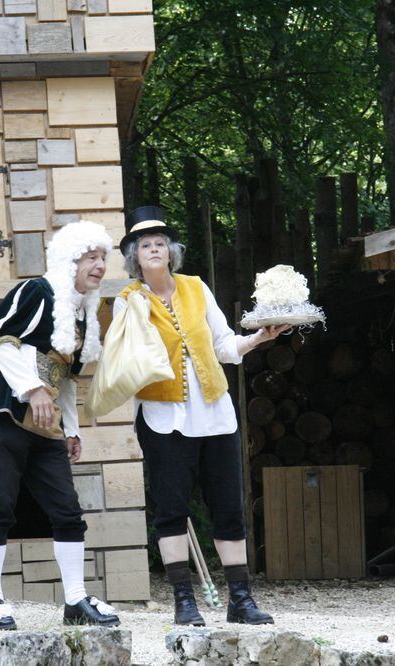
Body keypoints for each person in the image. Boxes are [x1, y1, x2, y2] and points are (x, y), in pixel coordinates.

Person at [113, 206, 289, 627]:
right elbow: (122, 361)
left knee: (228, 507)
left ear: (171, 252)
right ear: (135, 258)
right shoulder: (128, 301)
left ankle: (240, 601)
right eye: (144, 246)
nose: (153, 250)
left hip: (214, 414)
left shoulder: (196, 288)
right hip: (162, 418)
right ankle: (184, 602)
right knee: (172, 509)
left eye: (159, 244)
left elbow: (225, 346)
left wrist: (259, 339)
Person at [0, 221, 120, 631]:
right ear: (69, 259)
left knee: (68, 511)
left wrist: (71, 428)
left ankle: (74, 601)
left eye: (103, 258)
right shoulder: (36, 291)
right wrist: (32, 389)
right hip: (4, 413)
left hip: (46, 423)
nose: (100, 266)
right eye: (91, 258)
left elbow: (66, 377)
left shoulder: (84, 313)